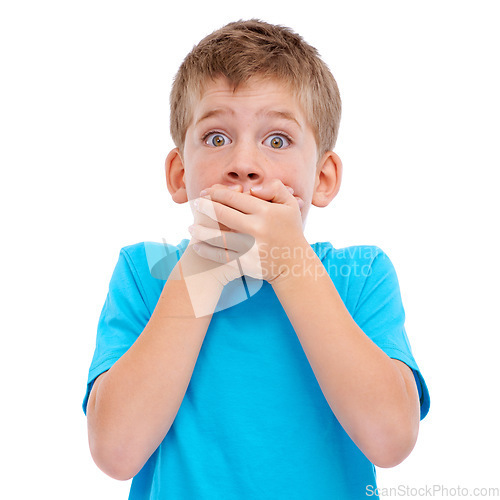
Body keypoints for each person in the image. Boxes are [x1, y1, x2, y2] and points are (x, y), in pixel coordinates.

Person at [83, 19, 430, 499]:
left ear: (323, 178)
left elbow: (392, 440)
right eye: (217, 138)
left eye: (277, 140)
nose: (243, 162)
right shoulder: (145, 274)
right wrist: (200, 274)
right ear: (180, 175)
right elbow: (115, 452)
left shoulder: (361, 275)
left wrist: (292, 264)